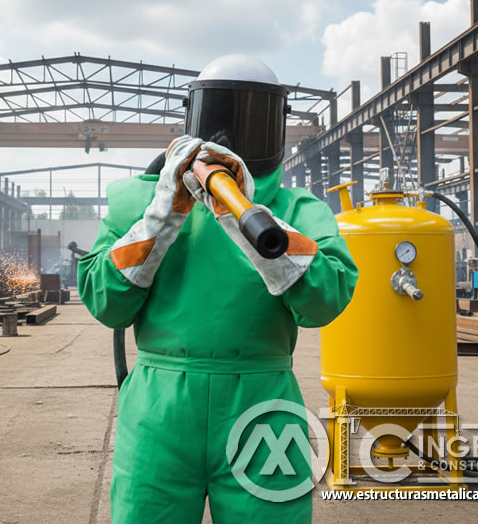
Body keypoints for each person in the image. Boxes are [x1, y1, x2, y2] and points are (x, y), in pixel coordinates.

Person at [78, 55, 358, 523]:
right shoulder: (143, 202)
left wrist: (255, 223)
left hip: (261, 407)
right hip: (159, 409)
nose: (231, 136)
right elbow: (107, 303)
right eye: (220, 114)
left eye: (253, 116)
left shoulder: (296, 210)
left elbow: (324, 300)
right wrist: (161, 215)